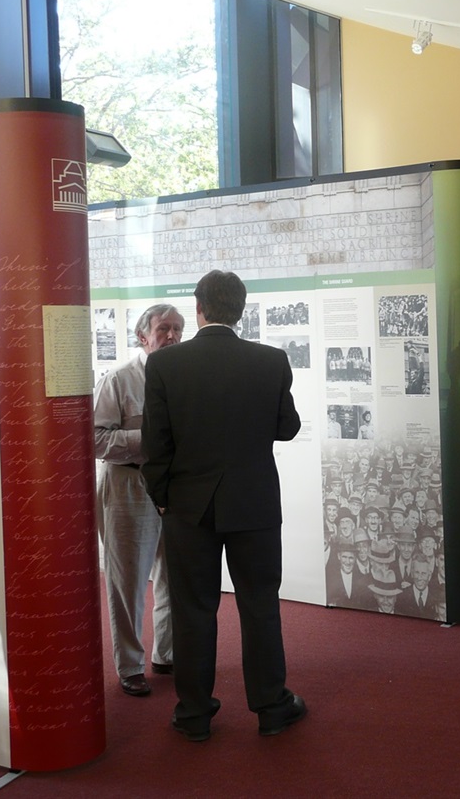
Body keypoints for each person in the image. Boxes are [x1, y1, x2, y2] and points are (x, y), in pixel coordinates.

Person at [142, 270, 305, 742]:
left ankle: (194, 715)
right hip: (253, 503)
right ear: (241, 309)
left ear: (199, 308)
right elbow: (287, 427)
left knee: (192, 610)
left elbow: (156, 446)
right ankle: (272, 708)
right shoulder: (271, 360)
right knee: (260, 606)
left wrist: (165, 500)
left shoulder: (166, 365)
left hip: (188, 509)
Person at [94, 303, 183, 698]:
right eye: (164, 328)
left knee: (175, 577)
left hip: (177, 488)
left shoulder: (187, 378)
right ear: (143, 336)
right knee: (128, 582)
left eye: (179, 329)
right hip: (130, 485)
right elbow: (94, 440)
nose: (173, 335)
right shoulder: (119, 381)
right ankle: (130, 665)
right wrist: (147, 441)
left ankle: (166, 653)